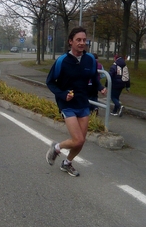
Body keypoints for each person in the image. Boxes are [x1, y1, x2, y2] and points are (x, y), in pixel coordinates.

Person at [46, 27, 107, 177]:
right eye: (78, 40)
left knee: (81, 141)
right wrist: (63, 94)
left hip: (82, 102)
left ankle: (67, 163)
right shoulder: (62, 61)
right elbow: (50, 82)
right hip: (67, 104)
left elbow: (93, 77)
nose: (82, 43)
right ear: (70, 41)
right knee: (77, 139)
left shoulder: (90, 59)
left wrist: (100, 87)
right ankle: (57, 147)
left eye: (84, 40)